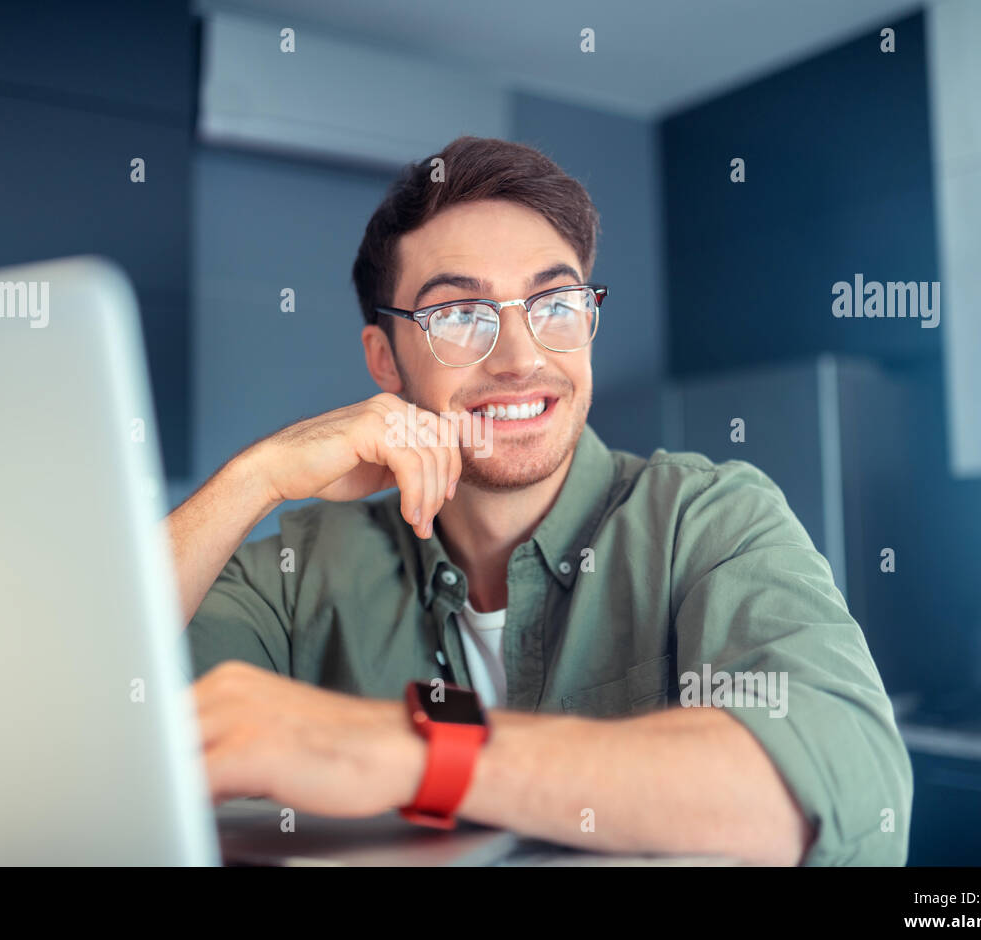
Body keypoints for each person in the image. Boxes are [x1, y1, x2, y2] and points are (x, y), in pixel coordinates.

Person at [168, 135, 912, 865]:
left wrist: (404, 750)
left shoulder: (707, 519)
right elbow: (90, 712)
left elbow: (843, 791)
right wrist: (257, 475)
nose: (522, 359)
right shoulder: (301, 574)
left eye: (555, 303)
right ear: (384, 359)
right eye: (459, 315)